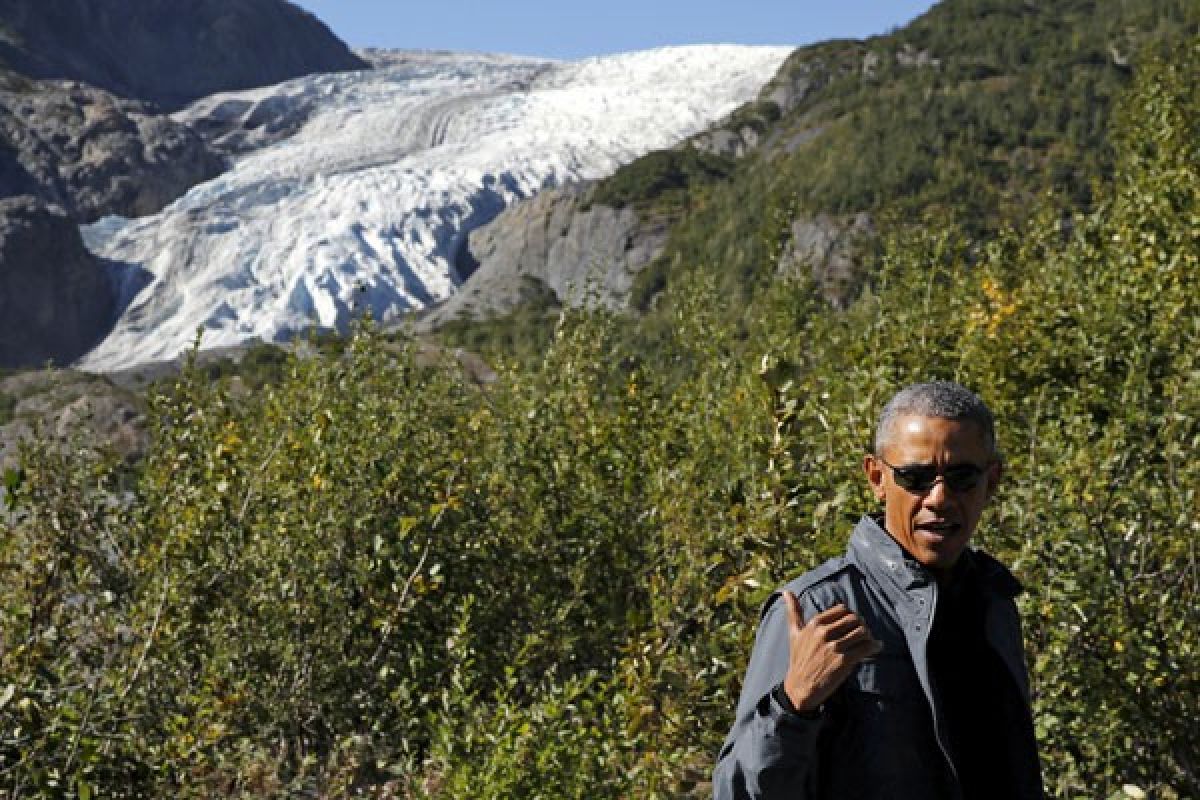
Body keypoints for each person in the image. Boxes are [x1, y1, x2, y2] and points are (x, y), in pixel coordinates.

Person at [713, 381, 1043, 799]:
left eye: (962, 477)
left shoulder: (994, 605)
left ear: (991, 481)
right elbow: (736, 792)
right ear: (876, 477)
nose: (938, 498)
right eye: (916, 477)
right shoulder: (815, 608)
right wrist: (792, 705)